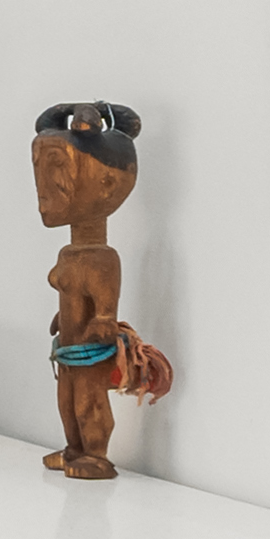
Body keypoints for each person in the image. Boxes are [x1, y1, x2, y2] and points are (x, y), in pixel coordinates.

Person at [29, 103, 176, 484]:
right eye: (41, 173)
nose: (45, 191)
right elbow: (73, 291)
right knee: (66, 402)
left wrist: (103, 320)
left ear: (108, 184)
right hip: (69, 349)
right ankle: (74, 449)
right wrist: (66, 316)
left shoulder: (102, 258)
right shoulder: (70, 253)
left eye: (59, 170)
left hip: (90, 350)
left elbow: (105, 304)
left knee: (88, 401)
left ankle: (95, 454)